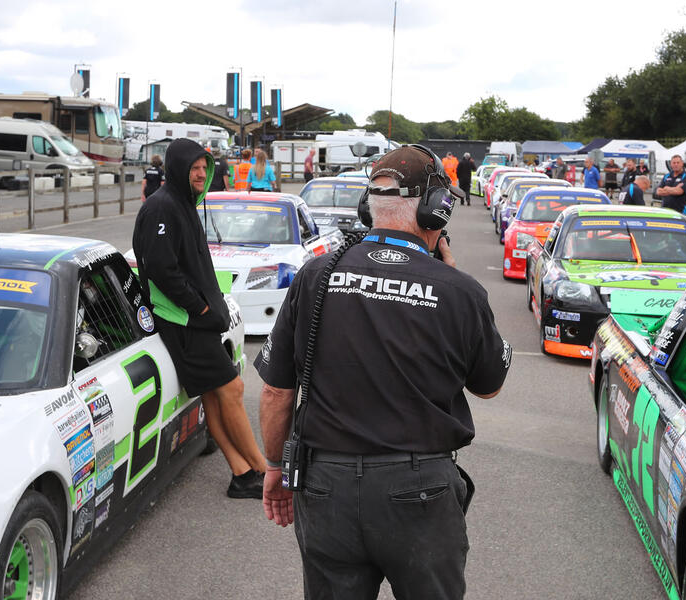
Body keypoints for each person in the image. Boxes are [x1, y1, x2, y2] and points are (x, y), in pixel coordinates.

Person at [255, 145, 510, 599]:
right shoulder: (459, 291)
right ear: (436, 211)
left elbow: (276, 392)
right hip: (420, 493)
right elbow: (488, 386)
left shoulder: (315, 275)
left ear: (367, 206)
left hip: (324, 486)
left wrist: (274, 466)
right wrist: (454, 285)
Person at [131, 138, 267, 499]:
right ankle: (264, 472)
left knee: (214, 395)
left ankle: (242, 474)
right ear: (177, 168)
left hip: (195, 319)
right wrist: (199, 308)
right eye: (194, 168)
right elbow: (161, 268)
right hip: (183, 320)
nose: (201, 174)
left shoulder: (184, 204)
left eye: (204, 169)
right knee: (233, 389)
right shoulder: (163, 207)